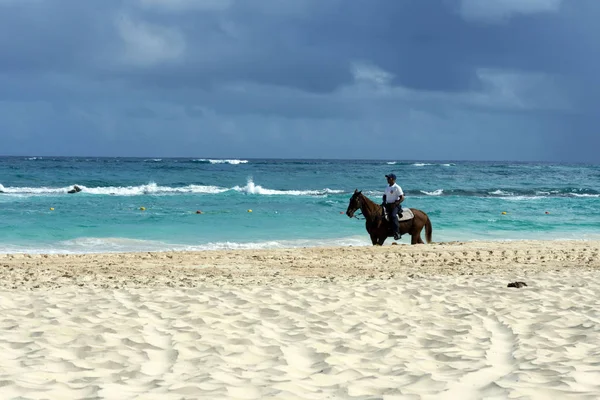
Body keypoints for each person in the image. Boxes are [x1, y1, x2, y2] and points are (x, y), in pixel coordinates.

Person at [383, 173, 404, 240]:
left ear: (393, 179)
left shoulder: (397, 187)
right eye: (387, 178)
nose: (387, 179)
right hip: (388, 205)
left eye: (388, 178)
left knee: (393, 216)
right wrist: (384, 201)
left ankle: (397, 233)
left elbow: (402, 198)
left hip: (395, 206)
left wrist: (396, 203)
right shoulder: (387, 187)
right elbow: (384, 195)